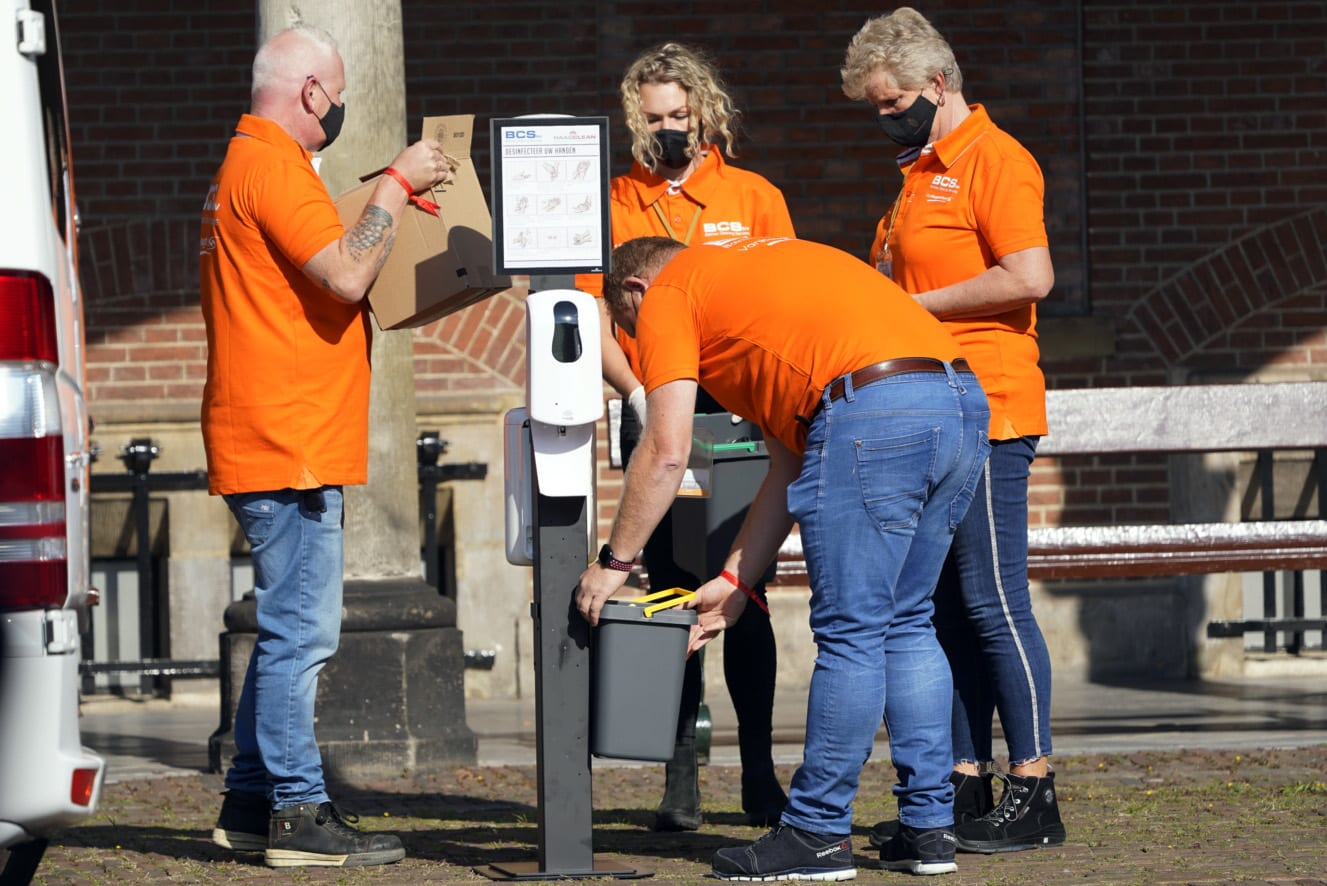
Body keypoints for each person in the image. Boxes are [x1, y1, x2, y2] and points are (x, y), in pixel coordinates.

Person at [576, 235, 990, 880]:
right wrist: (737, 579)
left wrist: (615, 560)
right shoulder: (754, 279)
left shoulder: (667, 293)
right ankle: (929, 829)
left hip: (871, 408)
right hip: (958, 400)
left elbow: (665, 449)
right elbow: (788, 465)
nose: (642, 344)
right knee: (907, 621)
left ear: (634, 291)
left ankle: (818, 832)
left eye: (631, 331)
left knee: (852, 632)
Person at [199, 24, 456, 868]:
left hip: (276, 429)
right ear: (312, 92)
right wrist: (394, 183)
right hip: (290, 439)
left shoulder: (251, 164)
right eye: (337, 93)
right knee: (299, 635)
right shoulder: (272, 164)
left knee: (285, 626)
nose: (339, 107)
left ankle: (248, 804)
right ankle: (298, 816)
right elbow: (348, 273)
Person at [841, 7, 1067, 855]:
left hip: (990, 401)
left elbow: (1027, 274)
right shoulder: (916, 171)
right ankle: (966, 782)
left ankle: (1034, 784)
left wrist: (909, 307)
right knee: (939, 605)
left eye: (891, 100)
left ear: (937, 85)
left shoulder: (994, 161)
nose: (882, 116)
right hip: (929, 406)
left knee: (992, 595)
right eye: (872, 105)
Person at [575, 42, 796, 832]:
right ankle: (679, 771)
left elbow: (782, 293)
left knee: (744, 586)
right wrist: (634, 391)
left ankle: (762, 771)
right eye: (654, 119)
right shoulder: (614, 201)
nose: (669, 130)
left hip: (736, 407)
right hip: (654, 402)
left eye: (680, 116)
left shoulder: (752, 194)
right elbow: (590, 310)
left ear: (705, 112)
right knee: (668, 585)